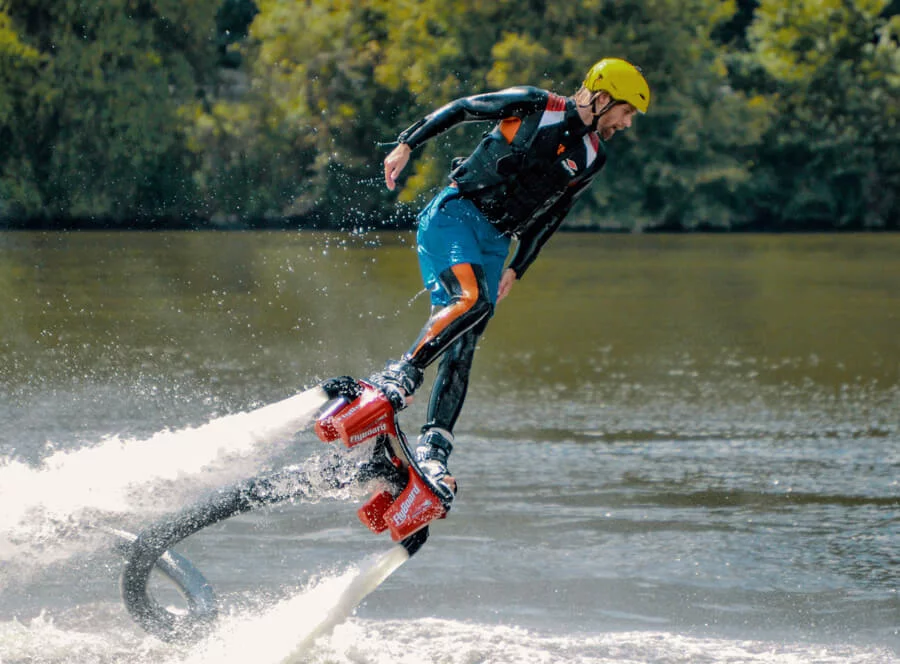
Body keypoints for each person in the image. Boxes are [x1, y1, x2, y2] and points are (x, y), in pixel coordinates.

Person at [368, 58, 651, 504]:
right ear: (601, 98)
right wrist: (407, 144)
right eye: (626, 111)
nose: (627, 123)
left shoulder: (594, 156)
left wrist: (519, 267)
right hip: (456, 216)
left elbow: (554, 214)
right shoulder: (534, 104)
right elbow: (462, 108)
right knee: (473, 301)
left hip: (497, 243)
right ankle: (398, 377)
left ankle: (433, 450)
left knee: (464, 337)